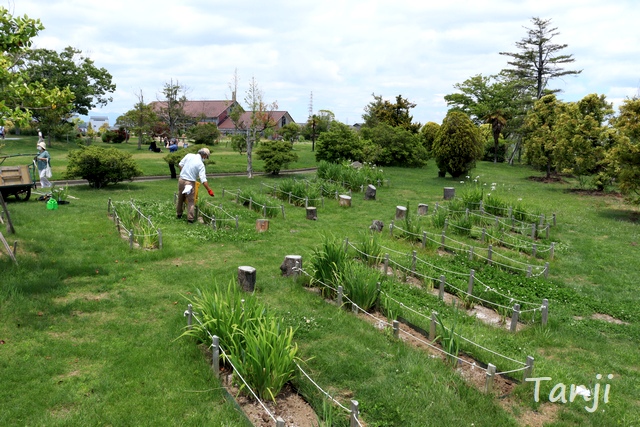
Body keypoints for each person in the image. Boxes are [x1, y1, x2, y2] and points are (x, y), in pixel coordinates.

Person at [176, 148, 214, 223]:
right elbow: (203, 180)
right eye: (206, 157)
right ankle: (190, 219)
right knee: (191, 200)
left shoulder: (189, 155)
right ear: (204, 155)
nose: (205, 159)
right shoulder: (201, 164)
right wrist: (209, 190)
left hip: (181, 180)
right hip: (190, 183)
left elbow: (180, 164)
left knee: (180, 197)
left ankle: (179, 214)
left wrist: (184, 172)